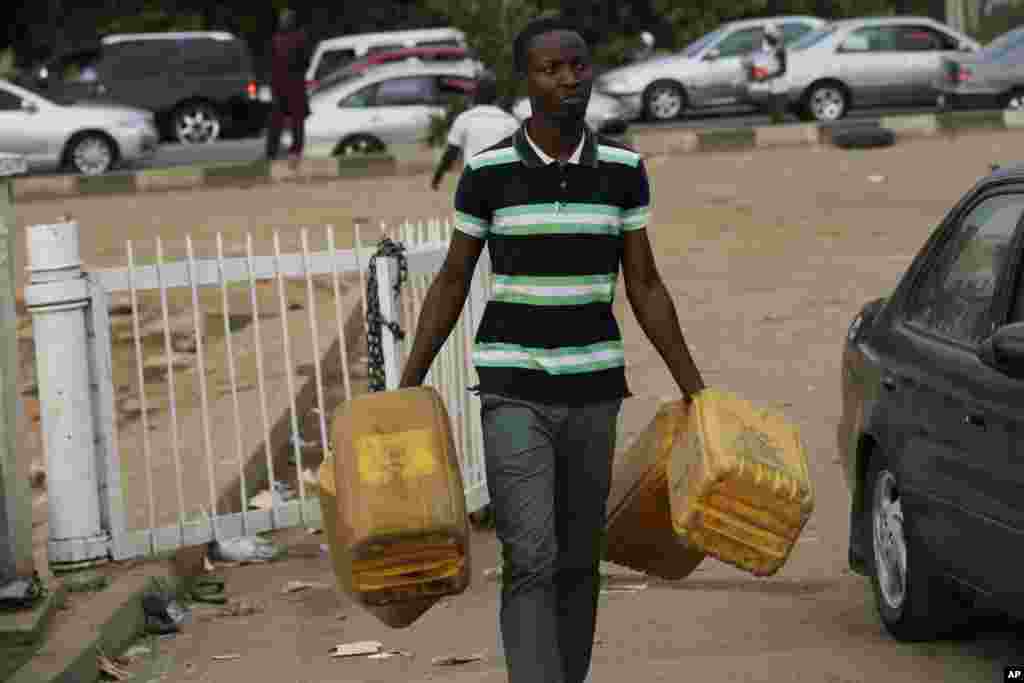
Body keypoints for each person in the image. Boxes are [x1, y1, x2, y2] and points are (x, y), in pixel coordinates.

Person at [398, 14, 703, 683]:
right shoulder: (487, 173)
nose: (570, 79)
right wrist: (405, 386)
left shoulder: (623, 170)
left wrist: (696, 390)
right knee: (531, 553)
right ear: (526, 79)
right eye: (551, 68)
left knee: (577, 559)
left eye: (579, 66)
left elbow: (645, 283)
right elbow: (452, 279)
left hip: (594, 389)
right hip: (514, 386)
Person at [431, 74, 520, 191]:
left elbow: (451, 153)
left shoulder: (464, 118)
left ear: (475, 95)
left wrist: (438, 177)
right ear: (496, 97)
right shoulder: (510, 121)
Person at [266, 8, 311, 164]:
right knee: (283, 121)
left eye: (285, 19)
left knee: (291, 121)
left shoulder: (289, 38)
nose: (283, 22)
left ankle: (289, 151)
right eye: (282, 19)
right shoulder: (284, 39)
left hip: (288, 85)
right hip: (288, 85)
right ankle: (279, 152)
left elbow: (305, 62)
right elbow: (305, 62)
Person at [759, 23, 788, 123]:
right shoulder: (771, 49)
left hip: (780, 87)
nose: (766, 39)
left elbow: (782, 70)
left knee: (778, 116)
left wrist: (767, 76)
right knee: (774, 116)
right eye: (766, 37)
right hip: (773, 86)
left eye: (767, 36)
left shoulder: (780, 50)